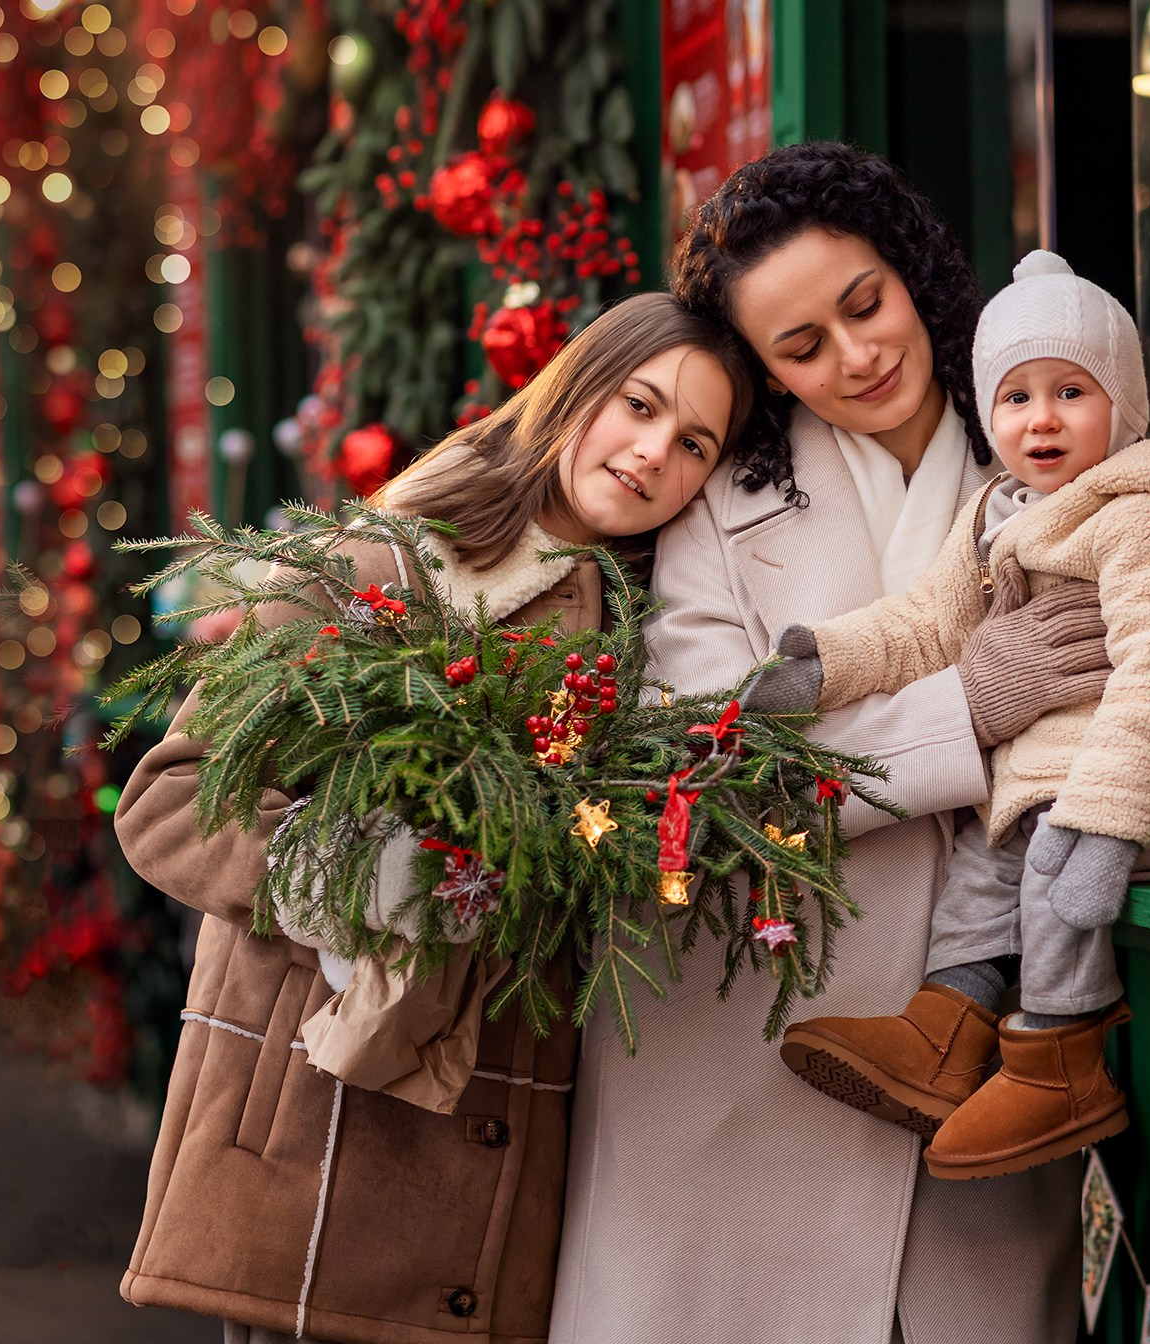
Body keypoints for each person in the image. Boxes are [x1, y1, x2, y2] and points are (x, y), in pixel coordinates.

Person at [549, 143, 1150, 1344]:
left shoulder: (1059, 438)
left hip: (979, 1089)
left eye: (863, 305)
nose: (856, 356)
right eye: (800, 347)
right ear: (759, 372)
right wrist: (966, 709)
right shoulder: (710, 499)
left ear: (910, 272)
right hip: (742, 1069)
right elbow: (696, 780)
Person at [113, 293, 753, 1344]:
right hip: (305, 1134)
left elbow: (602, 848)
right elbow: (170, 800)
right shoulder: (378, 569)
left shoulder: (639, 639)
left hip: (480, 1158)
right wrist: (353, 878)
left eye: (693, 443)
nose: (651, 454)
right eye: (637, 405)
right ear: (575, 389)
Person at [741, 250, 1150, 1179]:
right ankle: (945, 1029)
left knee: (1048, 856)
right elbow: (924, 625)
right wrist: (824, 667)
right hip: (1069, 776)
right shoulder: (997, 516)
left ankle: (1060, 1052)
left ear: (1124, 407)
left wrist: (1107, 822)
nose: (1043, 419)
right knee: (988, 850)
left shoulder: (1146, 516)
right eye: (1016, 398)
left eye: (1072, 391)